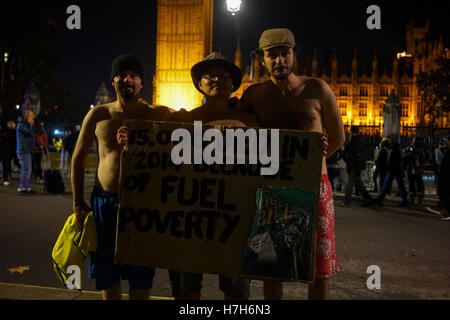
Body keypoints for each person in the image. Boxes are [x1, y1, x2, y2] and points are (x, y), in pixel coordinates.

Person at [118, 52, 260, 300]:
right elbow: (155, 160)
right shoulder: (182, 120)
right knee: (186, 289)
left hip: (235, 222)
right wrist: (133, 143)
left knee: (236, 292)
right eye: (210, 76)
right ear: (200, 85)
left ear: (233, 84)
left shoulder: (250, 121)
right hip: (188, 223)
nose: (218, 79)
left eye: (224, 76)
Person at [237, 28, 345, 300]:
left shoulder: (317, 89)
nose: (279, 60)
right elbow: (237, 132)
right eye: (271, 55)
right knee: (271, 266)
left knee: (317, 270)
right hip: (272, 190)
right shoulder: (254, 96)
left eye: (284, 53)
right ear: (262, 59)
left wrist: (317, 159)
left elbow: (339, 137)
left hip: (314, 189)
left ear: (294, 55)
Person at [71, 53, 174, 300]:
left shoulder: (157, 114)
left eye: (133, 75)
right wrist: (77, 200)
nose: (127, 79)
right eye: (122, 74)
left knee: (141, 271)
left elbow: (194, 125)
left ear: (142, 82)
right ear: (113, 80)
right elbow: (78, 158)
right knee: (108, 273)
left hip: (141, 205)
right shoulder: (98, 115)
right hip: (104, 203)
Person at [340, 126, 373, 207]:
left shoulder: (356, 141)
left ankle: (347, 201)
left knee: (350, 184)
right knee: (359, 183)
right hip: (355, 166)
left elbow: (356, 155)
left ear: (352, 132)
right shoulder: (359, 140)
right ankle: (368, 198)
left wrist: (349, 161)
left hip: (354, 166)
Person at [376, 135, 408, 207]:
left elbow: (399, 159)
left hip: (395, 170)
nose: (388, 141)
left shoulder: (396, 148)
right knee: (387, 184)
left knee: (399, 185)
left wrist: (394, 166)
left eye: (389, 139)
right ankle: (381, 198)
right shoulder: (393, 147)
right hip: (393, 170)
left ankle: (404, 200)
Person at [16, 109, 35, 193]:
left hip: (26, 150)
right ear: (27, 116)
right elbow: (29, 133)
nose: (33, 117)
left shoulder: (24, 124)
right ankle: (22, 187)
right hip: (23, 150)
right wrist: (31, 124)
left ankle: (26, 187)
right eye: (31, 115)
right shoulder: (21, 125)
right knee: (26, 169)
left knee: (27, 169)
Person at [403, 138, 425, 204]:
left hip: (413, 170)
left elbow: (406, 157)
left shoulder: (414, 151)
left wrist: (407, 151)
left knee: (412, 184)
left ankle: (412, 198)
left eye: (413, 142)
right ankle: (419, 198)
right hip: (417, 170)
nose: (412, 143)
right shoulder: (421, 151)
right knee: (419, 184)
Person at [437, 138, 450, 221]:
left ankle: (448, 212)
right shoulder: (447, 151)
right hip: (445, 176)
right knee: (443, 193)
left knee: (446, 194)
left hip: (447, 177)